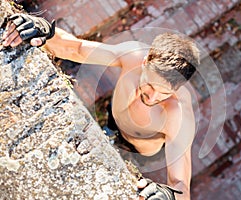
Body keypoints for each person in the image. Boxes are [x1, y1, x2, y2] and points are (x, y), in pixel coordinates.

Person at [2, 13, 200, 200]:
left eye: (164, 93)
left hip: (139, 152)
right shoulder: (132, 55)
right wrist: (43, 30)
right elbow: (75, 48)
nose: (153, 97)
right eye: (149, 84)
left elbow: (181, 186)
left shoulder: (178, 114)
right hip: (112, 117)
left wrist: (167, 195)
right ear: (146, 61)